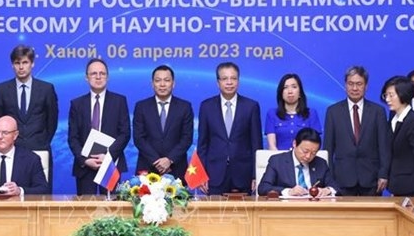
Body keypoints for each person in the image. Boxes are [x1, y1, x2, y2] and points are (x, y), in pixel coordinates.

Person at [0, 45, 58, 188]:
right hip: (12, 150)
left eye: (25, 62)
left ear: (32, 64)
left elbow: (52, 121)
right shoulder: (2, 90)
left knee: (41, 196)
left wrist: (41, 141)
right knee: (10, 194)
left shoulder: (46, 89)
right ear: (12, 65)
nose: (21, 67)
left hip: (39, 148)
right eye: (17, 63)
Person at [324, 66, 390, 196]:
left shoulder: (378, 111)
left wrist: (383, 174)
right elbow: (328, 148)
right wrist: (329, 179)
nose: (355, 88)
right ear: (345, 85)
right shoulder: (333, 111)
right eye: (351, 84)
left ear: (366, 86)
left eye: (359, 84)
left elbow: (384, 146)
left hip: (371, 178)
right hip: (342, 179)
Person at [197, 62, 262, 195]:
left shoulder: (251, 106)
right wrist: (201, 174)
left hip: (243, 174)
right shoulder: (206, 106)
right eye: (225, 79)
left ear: (238, 81)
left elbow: (256, 144)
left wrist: (256, 175)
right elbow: (202, 144)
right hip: (214, 174)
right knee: (213, 215)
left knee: (245, 215)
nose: (229, 82)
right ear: (218, 82)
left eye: (233, 78)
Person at [68, 58, 130, 195]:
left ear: (107, 77)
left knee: (112, 212)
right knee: (85, 211)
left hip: (111, 164)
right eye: (93, 73)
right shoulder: (77, 104)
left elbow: (125, 133)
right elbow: (73, 137)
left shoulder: (119, 101)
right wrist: (84, 160)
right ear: (86, 77)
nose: (98, 77)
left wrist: (108, 156)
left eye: (102, 73)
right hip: (85, 167)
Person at [133, 65, 193, 180]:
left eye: (166, 80)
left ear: (173, 83)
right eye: (158, 80)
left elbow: (186, 138)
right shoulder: (141, 107)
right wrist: (157, 161)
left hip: (176, 169)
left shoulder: (184, 107)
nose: (162, 84)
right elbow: (139, 138)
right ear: (152, 84)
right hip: (147, 168)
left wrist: (169, 160)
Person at [381, 76, 414, 196]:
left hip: (411, 188)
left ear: (403, 95)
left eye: (391, 95)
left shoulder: (413, 121)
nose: (387, 99)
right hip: (396, 185)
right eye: (385, 95)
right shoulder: (393, 117)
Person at [258, 128, 339, 196]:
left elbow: (335, 187)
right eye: (305, 151)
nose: (308, 156)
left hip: (315, 208)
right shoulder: (277, 161)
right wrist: (289, 191)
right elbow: (263, 188)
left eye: (313, 153)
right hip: (286, 208)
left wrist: (328, 190)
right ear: (294, 143)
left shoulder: (321, 163)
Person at [265, 73, 322, 151]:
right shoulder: (272, 114)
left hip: (305, 160)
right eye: (285, 88)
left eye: (294, 87)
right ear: (281, 93)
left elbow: (315, 144)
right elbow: (271, 145)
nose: (290, 91)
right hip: (279, 160)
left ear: (300, 93)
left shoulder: (311, 114)